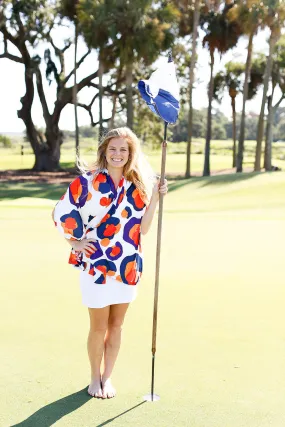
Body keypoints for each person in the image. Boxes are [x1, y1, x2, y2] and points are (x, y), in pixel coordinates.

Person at [52, 127, 168, 399]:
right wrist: (75, 242)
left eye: (123, 150)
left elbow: (145, 228)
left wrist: (157, 199)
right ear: (104, 150)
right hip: (96, 265)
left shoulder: (138, 185)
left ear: (131, 154)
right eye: (113, 149)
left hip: (127, 263)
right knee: (98, 326)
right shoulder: (86, 182)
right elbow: (61, 212)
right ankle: (94, 377)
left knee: (117, 325)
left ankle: (108, 377)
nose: (118, 154)